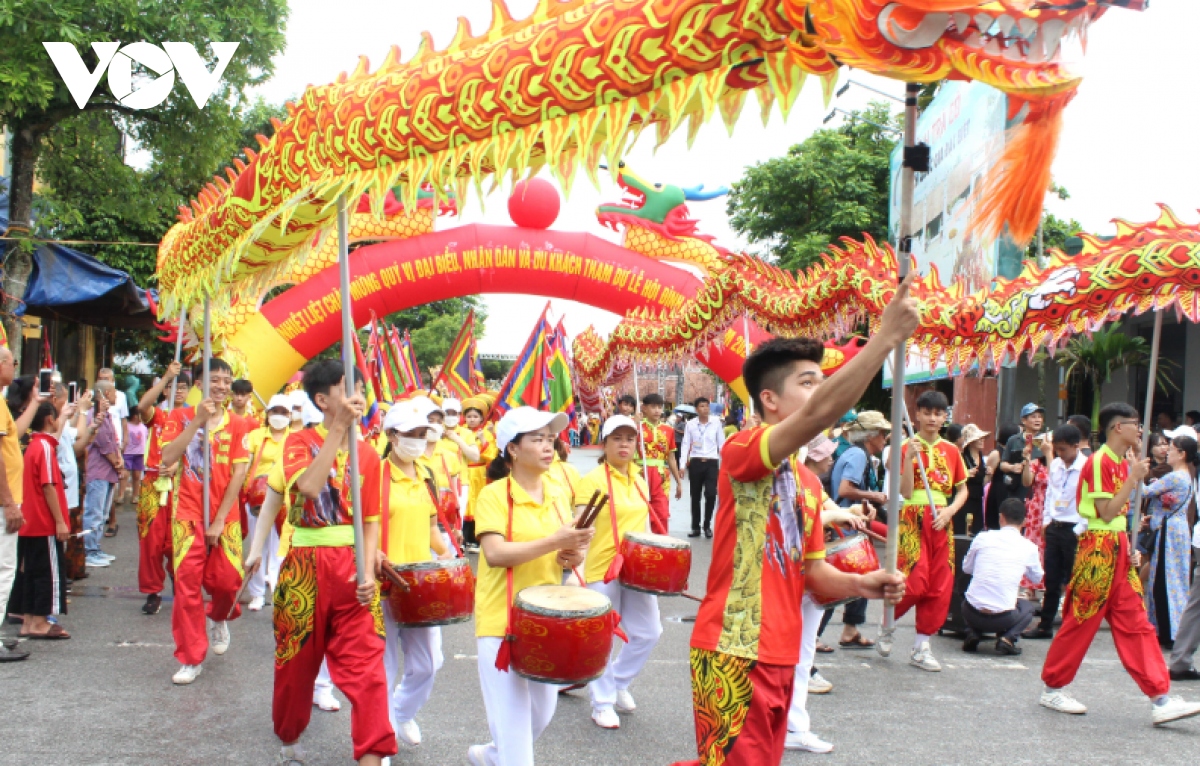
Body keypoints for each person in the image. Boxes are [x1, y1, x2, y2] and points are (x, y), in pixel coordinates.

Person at [676, 275, 915, 766]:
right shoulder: (743, 450)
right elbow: (821, 413)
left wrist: (863, 583)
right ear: (769, 400)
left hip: (783, 655)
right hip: (735, 646)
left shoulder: (808, 485)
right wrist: (884, 340)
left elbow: (812, 573)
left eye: (820, 383)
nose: (819, 393)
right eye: (808, 383)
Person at [245, 359, 393, 766]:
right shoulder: (298, 442)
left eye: (360, 387)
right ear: (323, 400)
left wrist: (367, 574)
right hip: (304, 569)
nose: (357, 395)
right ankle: (289, 737)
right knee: (295, 667)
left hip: (351, 571)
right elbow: (308, 488)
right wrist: (339, 432)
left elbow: (371, 525)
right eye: (348, 388)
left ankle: (373, 754)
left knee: (368, 671)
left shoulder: (370, 456)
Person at [1038, 403, 1200, 725]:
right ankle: (1053, 686)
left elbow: (1130, 506)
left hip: (1119, 547)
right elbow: (1107, 512)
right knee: (1081, 620)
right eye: (1134, 424)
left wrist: (1136, 468)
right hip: (1098, 548)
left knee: (1137, 622)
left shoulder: (1122, 462)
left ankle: (1160, 698)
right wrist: (1134, 476)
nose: (1139, 429)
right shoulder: (1099, 462)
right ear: (1117, 427)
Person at [466, 407, 593, 766]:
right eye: (536, 439)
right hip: (501, 623)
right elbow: (494, 554)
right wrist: (557, 540)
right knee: (518, 746)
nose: (547, 446)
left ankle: (489, 756)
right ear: (513, 449)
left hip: (546, 623)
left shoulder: (556, 492)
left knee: (540, 715)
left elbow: (562, 560)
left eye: (550, 439)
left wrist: (573, 551)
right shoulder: (493, 495)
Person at [159, 358, 252, 685]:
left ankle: (220, 616)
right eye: (216, 380)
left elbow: (239, 474)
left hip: (224, 518)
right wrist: (196, 422)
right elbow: (167, 458)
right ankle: (190, 657)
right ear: (199, 382)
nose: (223, 386)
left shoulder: (239, 424)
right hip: (186, 515)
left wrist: (218, 521)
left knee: (228, 583)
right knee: (186, 587)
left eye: (227, 380)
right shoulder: (179, 416)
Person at [570, 414, 660, 730]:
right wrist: (574, 565)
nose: (624, 444)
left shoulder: (639, 479)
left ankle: (618, 681)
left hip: (637, 570)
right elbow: (582, 525)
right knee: (603, 638)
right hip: (602, 568)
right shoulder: (592, 480)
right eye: (617, 438)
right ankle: (602, 702)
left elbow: (646, 526)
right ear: (604, 443)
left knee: (650, 632)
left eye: (629, 439)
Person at [377, 397, 452, 747]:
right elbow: (358, 527)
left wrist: (449, 557)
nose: (419, 439)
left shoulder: (426, 473)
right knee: (384, 665)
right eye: (411, 433)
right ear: (392, 435)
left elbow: (432, 526)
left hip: (421, 584)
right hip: (383, 582)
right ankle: (383, 736)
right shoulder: (374, 475)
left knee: (428, 663)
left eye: (423, 433)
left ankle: (401, 712)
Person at [889, 390, 969, 672]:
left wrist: (949, 511)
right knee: (913, 580)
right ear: (918, 414)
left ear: (945, 417)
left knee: (939, 583)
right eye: (927, 413)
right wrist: (909, 459)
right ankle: (887, 623)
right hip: (913, 517)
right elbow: (907, 492)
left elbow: (962, 490)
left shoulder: (952, 450)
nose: (933, 418)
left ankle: (922, 645)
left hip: (941, 521)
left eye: (938, 414)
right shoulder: (905, 447)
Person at [9, 401, 71, 639]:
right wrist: (59, 521)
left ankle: (30, 619)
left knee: (32, 572)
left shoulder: (33, 446)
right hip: (44, 522)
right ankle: (40, 620)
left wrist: (64, 416)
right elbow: (48, 486)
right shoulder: (43, 447)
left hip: (30, 522)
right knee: (47, 573)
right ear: (49, 419)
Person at [811, 432, 874, 652]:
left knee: (811, 619)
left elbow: (834, 511)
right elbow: (800, 522)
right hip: (796, 561)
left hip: (812, 558)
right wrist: (837, 517)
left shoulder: (814, 482)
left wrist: (852, 512)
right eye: (826, 453)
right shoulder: (794, 479)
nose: (832, 457)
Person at [134, 362, 188, 615]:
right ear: (167, 390)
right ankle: (152, 592)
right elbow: (142, 406)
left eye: (183, 388)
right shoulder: (158, 415)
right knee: (151, 541)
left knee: (179, 539)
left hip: (181, 486)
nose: (178, 392)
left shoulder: (193, 418)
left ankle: (182, 586)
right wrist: (167, 376)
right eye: (174, 387)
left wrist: (178, 466)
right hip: (153, 485)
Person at [1023, 424, 1088, 640]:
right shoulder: (1057, 465)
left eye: (1063, 450)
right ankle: (1045, 625)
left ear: (1076, 446)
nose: (1060, 454)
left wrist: (1079, 529)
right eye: (1057, 450)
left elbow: (1090, 501)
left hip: (1074, 528)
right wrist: (1047, 520)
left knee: (1073, 579)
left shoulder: (1086, 467)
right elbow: (1051, 493)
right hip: (1055, 525)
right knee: (1051, 579)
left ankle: (1074, 626)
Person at [960, 498, 1043, 655]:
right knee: (1028, 608)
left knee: (964, 584)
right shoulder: (1029, 547)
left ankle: (971, 631)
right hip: (1004, 618)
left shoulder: (982, 537)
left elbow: (966, 568)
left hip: (971, 612)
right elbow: (1037, 579)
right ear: (1025, 521)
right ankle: (1008, 639)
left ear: (1001, 517)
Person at [1143, 435, 1199, 646]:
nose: (1168, 451)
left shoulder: (1175, 477)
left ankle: (1167, 629)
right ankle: (1172, 629)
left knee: (1165, 579)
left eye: (1172, 448)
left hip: (1169, 532)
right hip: (1178, 530)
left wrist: (1133, 470)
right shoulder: (1186, 476)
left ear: (1182, 454)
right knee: (1174, 579)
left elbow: (1144, 491)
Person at [0, 349, 36, 662]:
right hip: (3, 500)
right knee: (3, 570)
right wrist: (9, 502)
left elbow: (12, 438)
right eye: (12, 362)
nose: (15, 367)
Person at [243, 394, 293, 611]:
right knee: (257, 544)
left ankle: (275, 586)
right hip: (257, 497)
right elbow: (245, 465)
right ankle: (256, 593)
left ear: (290, 415)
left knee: (279, 546)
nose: (279, 416)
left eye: (284, 412)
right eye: (275, 411)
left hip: (285, 498)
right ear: (267, 413)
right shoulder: (255, 436)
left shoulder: (296, 438)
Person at [51, 383, 94, 582]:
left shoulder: (63, 422)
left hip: (69, 489)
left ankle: (64, 572)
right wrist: (82, 411)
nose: (70, 404)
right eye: (66, 400)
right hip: (58, 489)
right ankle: (58, 575)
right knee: (59, 535)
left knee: (67, 533)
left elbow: (77, 438)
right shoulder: (53, 424)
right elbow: (57, 439)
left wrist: (92, 425)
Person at [83, 381, 123, 569]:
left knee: (102, 513)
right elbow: (103, 444)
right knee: (94, 512)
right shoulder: (95, 415)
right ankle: (88, 550)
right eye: (114, 392)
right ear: (106, 393)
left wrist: (119, 460)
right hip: (98, 470)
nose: (116, 396)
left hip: (107, 472)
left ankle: (96, 548)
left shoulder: (108, 415)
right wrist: (116, 462)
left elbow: (113, 441)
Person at [638, 393, 682, 536]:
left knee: (661, 513)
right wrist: (634, 423)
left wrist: (679, 482)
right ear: (644, 408)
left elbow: (671, 458)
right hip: (639, 473)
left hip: (661, 476)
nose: (657, 410)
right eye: (653, 407)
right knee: (639, 511)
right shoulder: (637, 427)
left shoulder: (668, 430)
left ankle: (659, 547)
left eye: (659, 407)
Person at [680, 397, 725, 539]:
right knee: (695, 496)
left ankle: (707, 525)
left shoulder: (716, 422)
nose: (705, 408)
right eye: (702, 406)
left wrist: (725, 465)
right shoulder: (690, 424)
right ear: (696, 409)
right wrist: (682, 465)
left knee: (711, 494)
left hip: (712, 462)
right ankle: (695, 527)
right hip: (696, 462)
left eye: (707, 406)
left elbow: (721, 444)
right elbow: (686, 444)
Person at [462, 396, 497, 552]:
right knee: (464, 504)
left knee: (478, 504)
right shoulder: (461, 432)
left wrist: (484, 440)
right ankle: (464, 538)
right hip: (464, 470)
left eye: (475, 416)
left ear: (482, 417)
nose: (472, 419)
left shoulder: (486, 434)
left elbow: (492, 454)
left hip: (480, 472)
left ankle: (476, 539)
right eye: (469, 416)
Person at [96, 368, 128, 536]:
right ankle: (94, 544)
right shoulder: (97, 411)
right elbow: (101, 438)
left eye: (107, 378)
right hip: (105, 455)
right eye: (101, 378)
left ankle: (111, 522)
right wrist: (115, 460)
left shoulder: (120, 398)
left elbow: (123, 421)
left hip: (115, 446)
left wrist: (124, 443)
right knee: (99, 501)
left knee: (110, 491)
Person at [1020, 432, 1050, 595]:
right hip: (1036, 509)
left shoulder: (1058, 463)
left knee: (1049, 548)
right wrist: (1026, 460)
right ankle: (1031, 587)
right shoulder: (1036, 463)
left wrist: (1049, 455)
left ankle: (1048, 587)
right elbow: (1026, 481)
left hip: (1052, 508)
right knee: (1034, 546)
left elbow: (1056, 479)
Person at [1000, 403, 1045, 504]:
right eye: (1033, 417)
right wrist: (1013, 467)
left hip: (1039, 494)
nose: (1038, 420)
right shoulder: (1013, 440)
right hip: (1016, 492)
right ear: (1023, 420)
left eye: (1040, 417)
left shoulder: (1046, 441)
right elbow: (1002, 464)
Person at [983, 423, 1020, 531]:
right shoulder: (996, 453)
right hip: (998, 490)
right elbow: (987, 478)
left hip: (1011, 489)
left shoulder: (1013, 451)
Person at [960, 424, 990, 535]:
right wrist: (966, 474)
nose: (982, 440)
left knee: (977, 529)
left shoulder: (981, 456)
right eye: (978, 438)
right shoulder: (962, 457)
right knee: (964, 529)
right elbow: (955, 479)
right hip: (965, 498)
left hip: (978, 498)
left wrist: (988, 474)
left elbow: (983, 482)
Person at [121, 409, 147, 508]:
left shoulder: (144, 426)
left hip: (140, 453)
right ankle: (121, 494)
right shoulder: (127, 425)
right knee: (125, 475)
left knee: (137, 475)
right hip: (128, 452)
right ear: (135, 416)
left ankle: (135, 495)